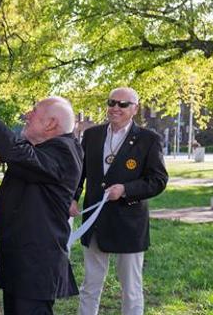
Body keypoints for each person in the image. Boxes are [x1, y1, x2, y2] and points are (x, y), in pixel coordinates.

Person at [0, 97, 83, 315]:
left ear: (51, 124)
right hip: (21, 264)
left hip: (35, 268)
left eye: (34, 112)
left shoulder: (65, 151)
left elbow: (18, 154)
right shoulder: (48, 149)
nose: (27, 115)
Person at [72, 87, 168, 315]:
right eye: (112, 102)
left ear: (134, 109)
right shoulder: (92, 135)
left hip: (129, 223)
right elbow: (79, 172)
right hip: (95, 221)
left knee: (131, 289)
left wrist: (126, 189)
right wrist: (73, 198)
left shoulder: (149, 139)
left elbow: (158, 180)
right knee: (90, 286)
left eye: (123, 104)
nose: (115, 108)